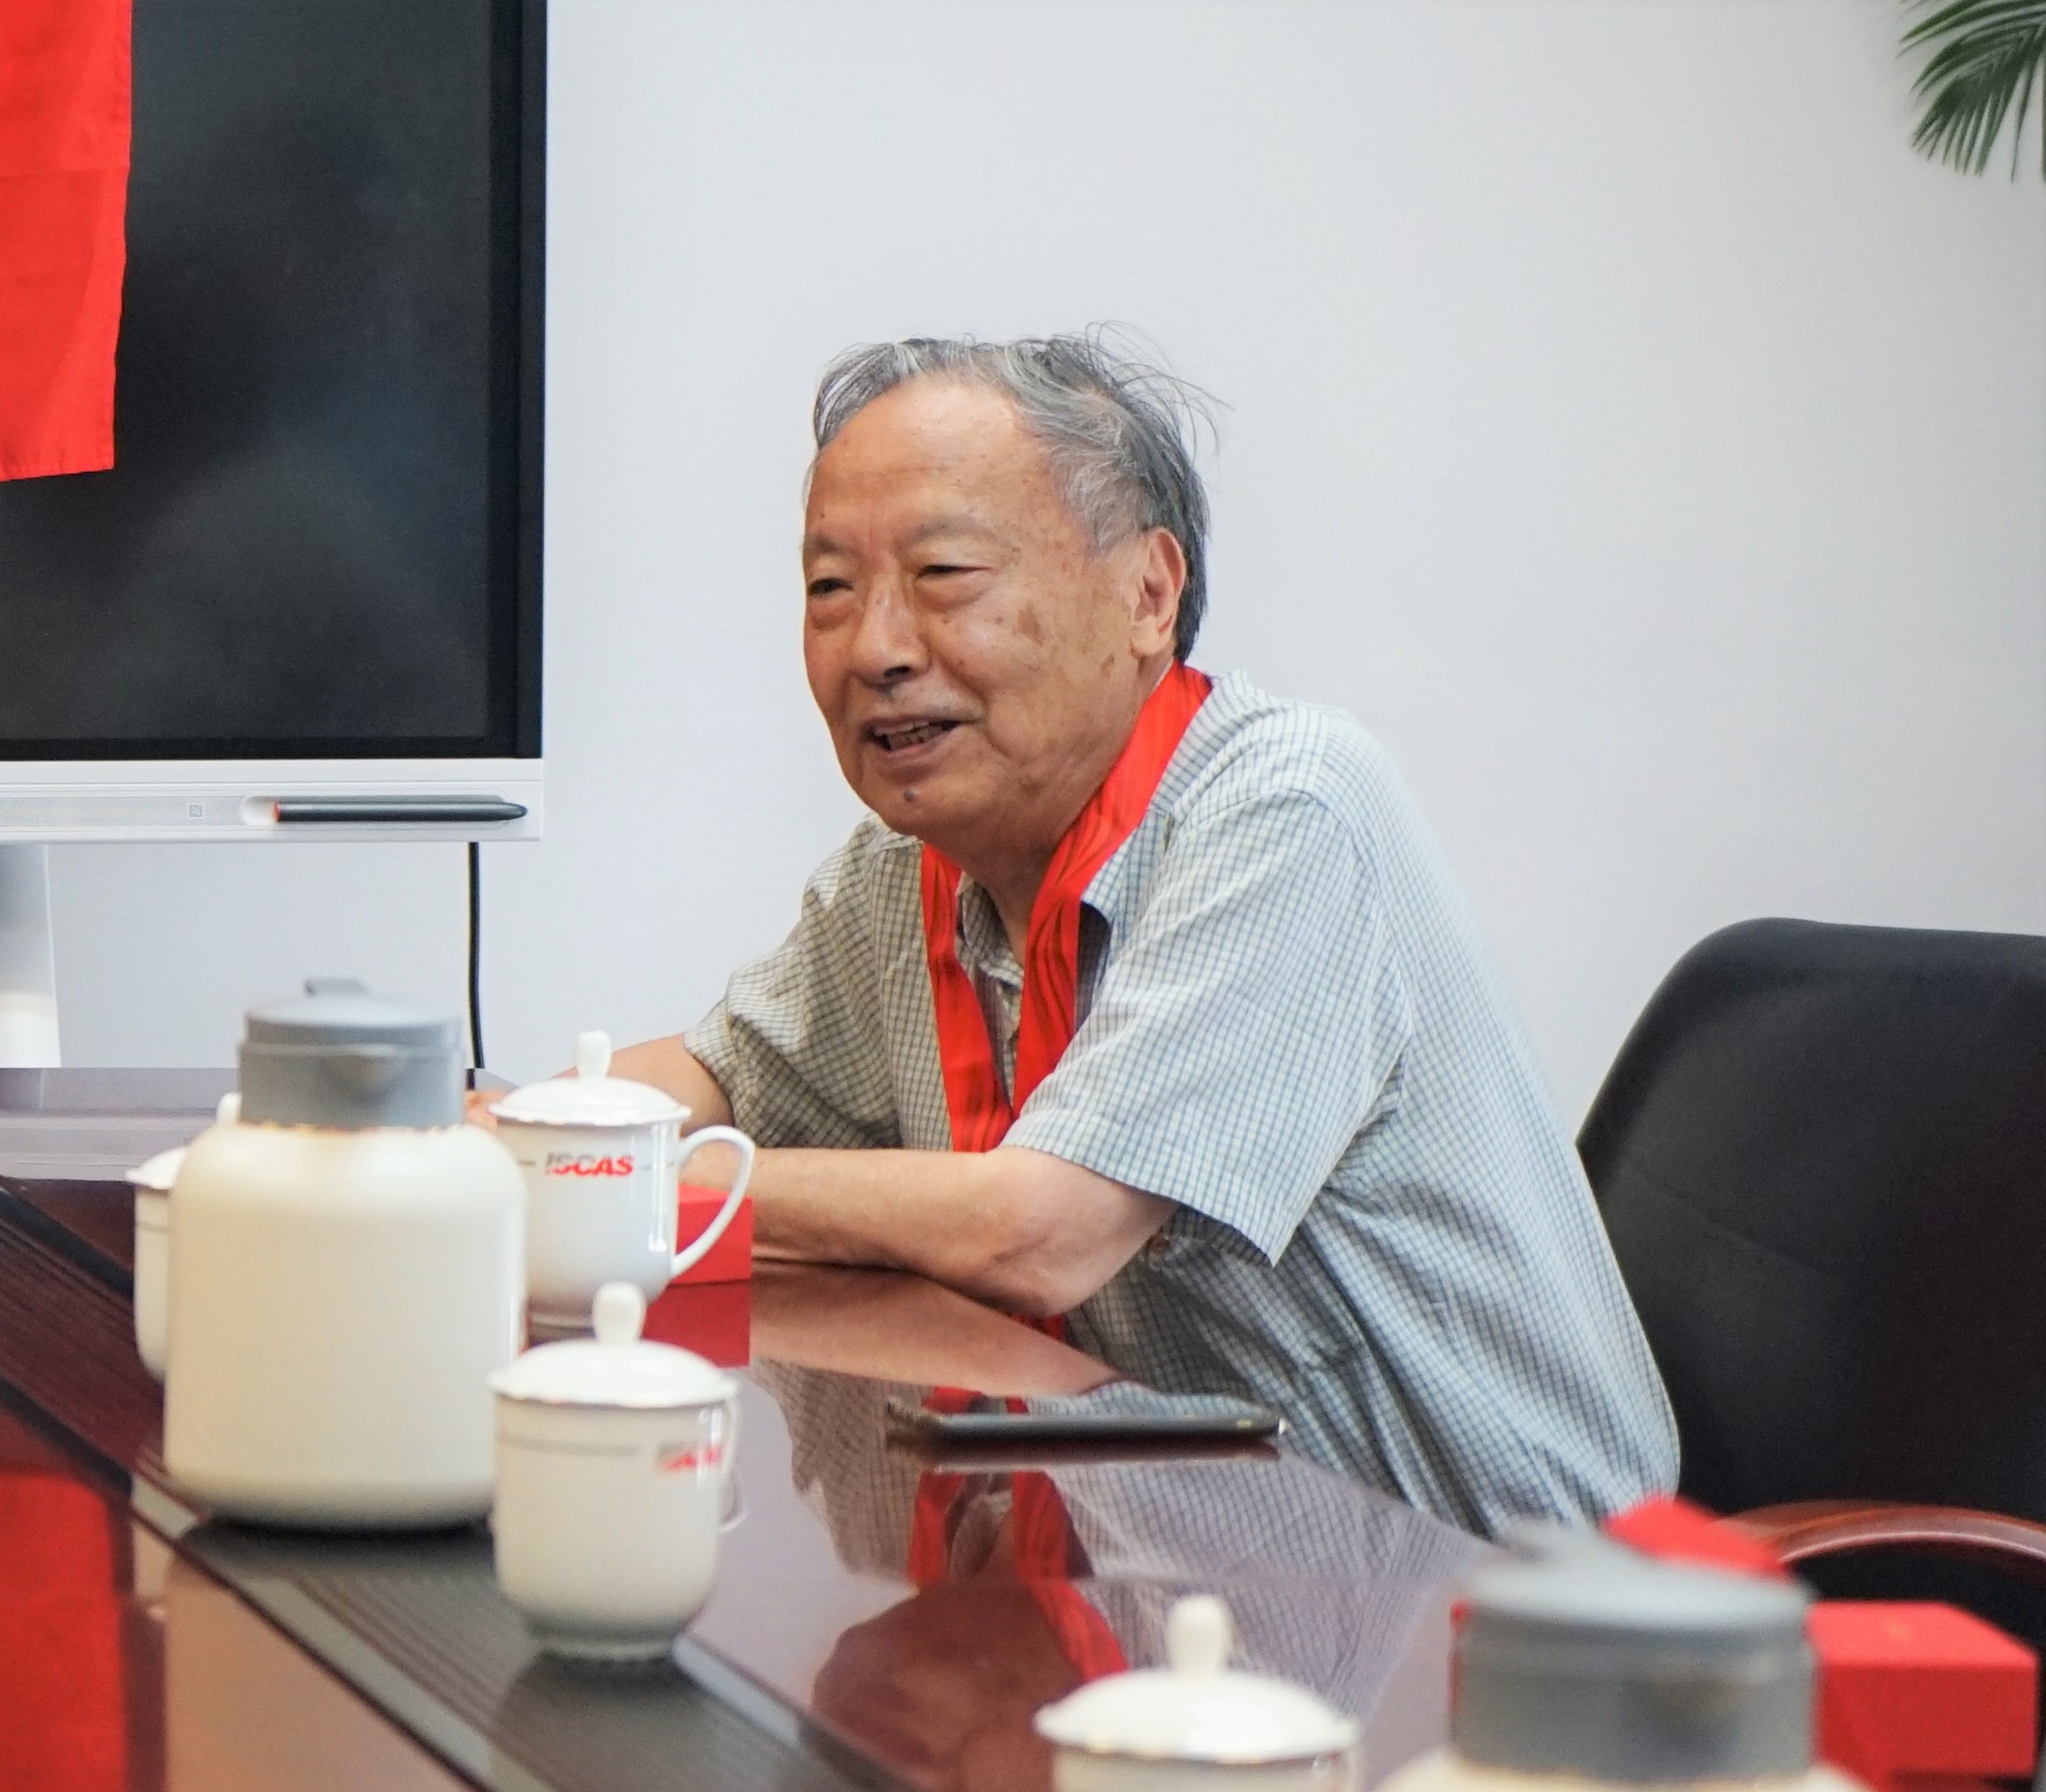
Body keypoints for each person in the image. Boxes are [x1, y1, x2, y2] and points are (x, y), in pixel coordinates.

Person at [587, 329, 1676, 1539]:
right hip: (1176, 1557)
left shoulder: (1285, 810)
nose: (878, 647)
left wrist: (618, 1185)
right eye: (830, 589)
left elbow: (1039, 1232)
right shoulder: (910, 871)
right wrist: (502, 1133)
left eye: (943, 574)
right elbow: (709, 1080)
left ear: (1147, 595)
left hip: (1491, 1593)